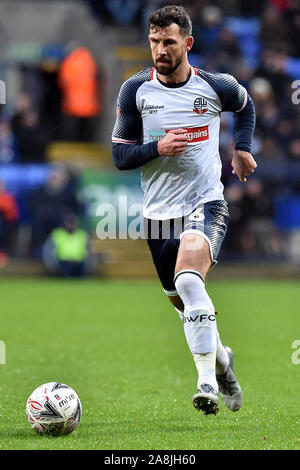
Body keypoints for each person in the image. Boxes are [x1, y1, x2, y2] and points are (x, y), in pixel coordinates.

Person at [112, 5, 257, 416]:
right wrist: (156, 148)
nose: (159, 49)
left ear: (187, 43)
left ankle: (206, 383)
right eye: (154, 41)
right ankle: (224, 362)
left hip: (205, 202)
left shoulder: (215, 86)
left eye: (168, 42)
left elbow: (245, 106)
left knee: (190, 280)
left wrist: (242, 148)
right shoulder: (135, 91)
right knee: (184, 305)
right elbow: (120, 157)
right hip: (158, 217)